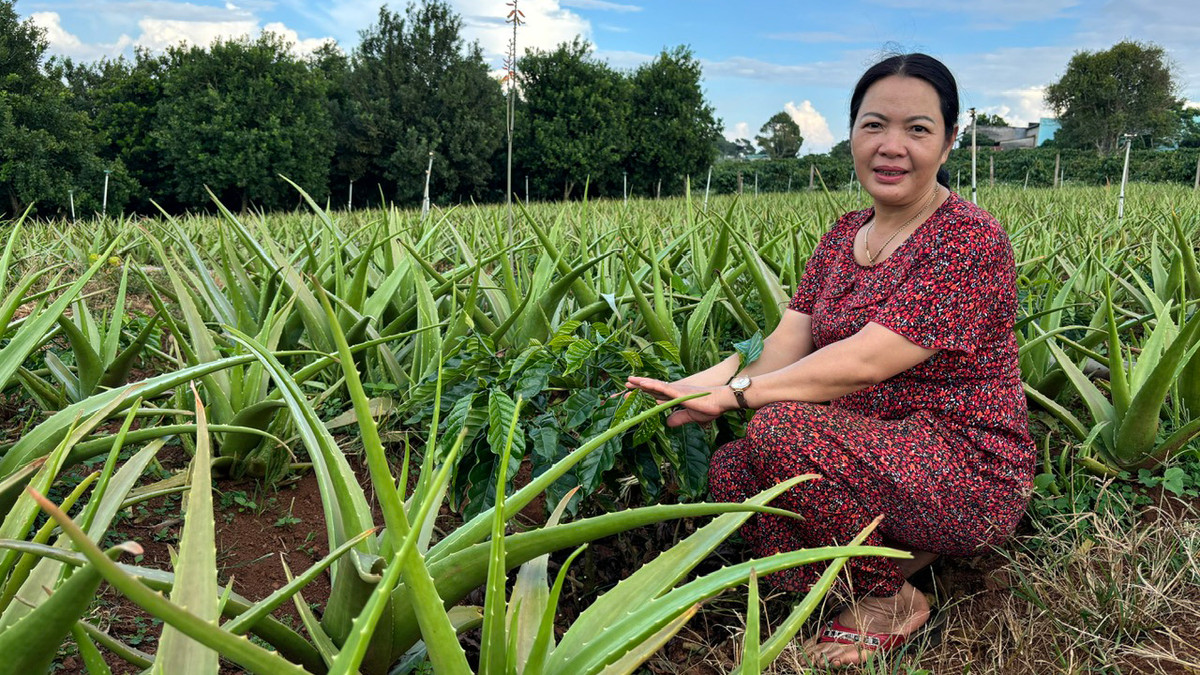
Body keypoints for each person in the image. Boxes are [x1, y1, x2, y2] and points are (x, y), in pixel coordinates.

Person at [624, 53, 1034, 667]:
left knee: (779, 429)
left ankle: (889, 597)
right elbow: (783, 345)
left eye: (917, 129)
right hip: (874, 454)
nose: (891, 146)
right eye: (874, 125)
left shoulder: (969, 239)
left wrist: (735, 397)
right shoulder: (844, 235)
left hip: (963, 469)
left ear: (949, 142)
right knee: (734, 472)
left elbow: (866, 360)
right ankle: (885, 559)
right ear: (851, 135)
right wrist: (689, 388)